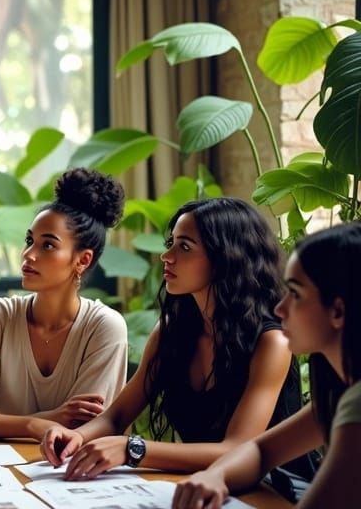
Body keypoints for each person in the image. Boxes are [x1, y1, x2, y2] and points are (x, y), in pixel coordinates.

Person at [41, 197, 312, 481]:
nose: (166, 256)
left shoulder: (271, 342)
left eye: (184, 247)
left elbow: (236, 450)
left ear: (225, 257)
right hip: (207, 486)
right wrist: (74, 435)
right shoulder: (171, 331)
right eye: (171, 243)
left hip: (278, 491)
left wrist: (133, 448)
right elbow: (116, 417)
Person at [173, 222, 360, 509]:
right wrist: (217, 475)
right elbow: (261, 451)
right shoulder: (338, 387)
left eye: (295, 294)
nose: (279, 308)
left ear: (338, 311)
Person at [0, 167, 129, 439]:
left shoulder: (104, 327)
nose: (28, 255)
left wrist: (8, 423)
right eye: (29, 241)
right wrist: (37, 423)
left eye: (47, 246)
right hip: (4, 468)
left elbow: (82, 428)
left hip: (75, 473)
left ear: (82, 260)